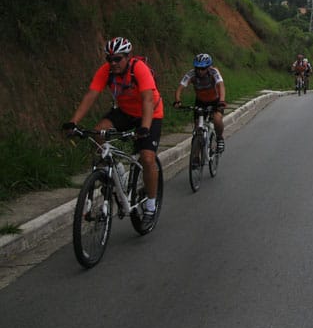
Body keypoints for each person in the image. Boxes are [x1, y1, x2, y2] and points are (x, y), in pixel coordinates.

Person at [63, 37, 163, 227]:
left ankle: (151, 205)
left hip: (150, 112)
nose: (113, 63)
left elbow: (148, 100)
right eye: (110, 59)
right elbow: (91, 95)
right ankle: (117, 169)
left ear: (128, 56)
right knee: (98, 132)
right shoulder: (106, 71)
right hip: (125, 112)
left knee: (147, 158)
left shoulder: (139, 69)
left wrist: (144, 127)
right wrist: (73, 122)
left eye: (118, 59)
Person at [173, 53, 226, 153]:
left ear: (209, 67)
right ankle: (195, 157)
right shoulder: (191, 74)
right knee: (197, 128)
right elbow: (180, 88)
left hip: (215, 101)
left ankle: (220, 138)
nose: (200, 71)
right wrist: (177, 100)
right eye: (197, 68)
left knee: (217, 119)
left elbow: (221, 86)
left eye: (203, 68)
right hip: (201, 102)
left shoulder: (214, 72)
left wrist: (222, 101)